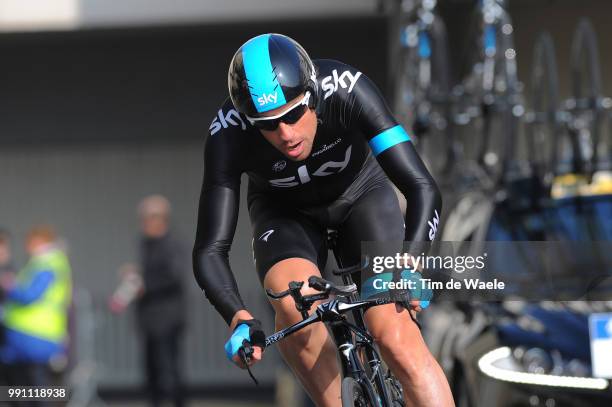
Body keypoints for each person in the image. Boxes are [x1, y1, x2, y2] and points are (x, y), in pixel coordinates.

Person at [193, 34, 454, 406]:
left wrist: (412, 261)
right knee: (292, 307)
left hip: (362, 196)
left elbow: (421, 187)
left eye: (294, 114)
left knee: (394, 336)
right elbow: (210, 249)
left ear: (313, 94)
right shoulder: (227, 134)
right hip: (284, 213)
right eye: (268, 125)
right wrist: (237, 316)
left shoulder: (348, 89)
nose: (285, 134)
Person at [130, 195, 186, 407]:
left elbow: (173, 276)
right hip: (149, 319)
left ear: (160, 219)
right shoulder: (145, 244)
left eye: (147, 218)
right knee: (151, 372)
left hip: (167, 319)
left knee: (169, 371)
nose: (144, 224)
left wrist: (145, 284)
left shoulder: (172, 244)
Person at [0, 225, 72, 388]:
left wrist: (10, 286)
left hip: (34, 335)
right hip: (31, 335)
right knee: (25, 385)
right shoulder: (45, 263)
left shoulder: (46, 263)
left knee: (35, 385)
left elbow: (30, 295)